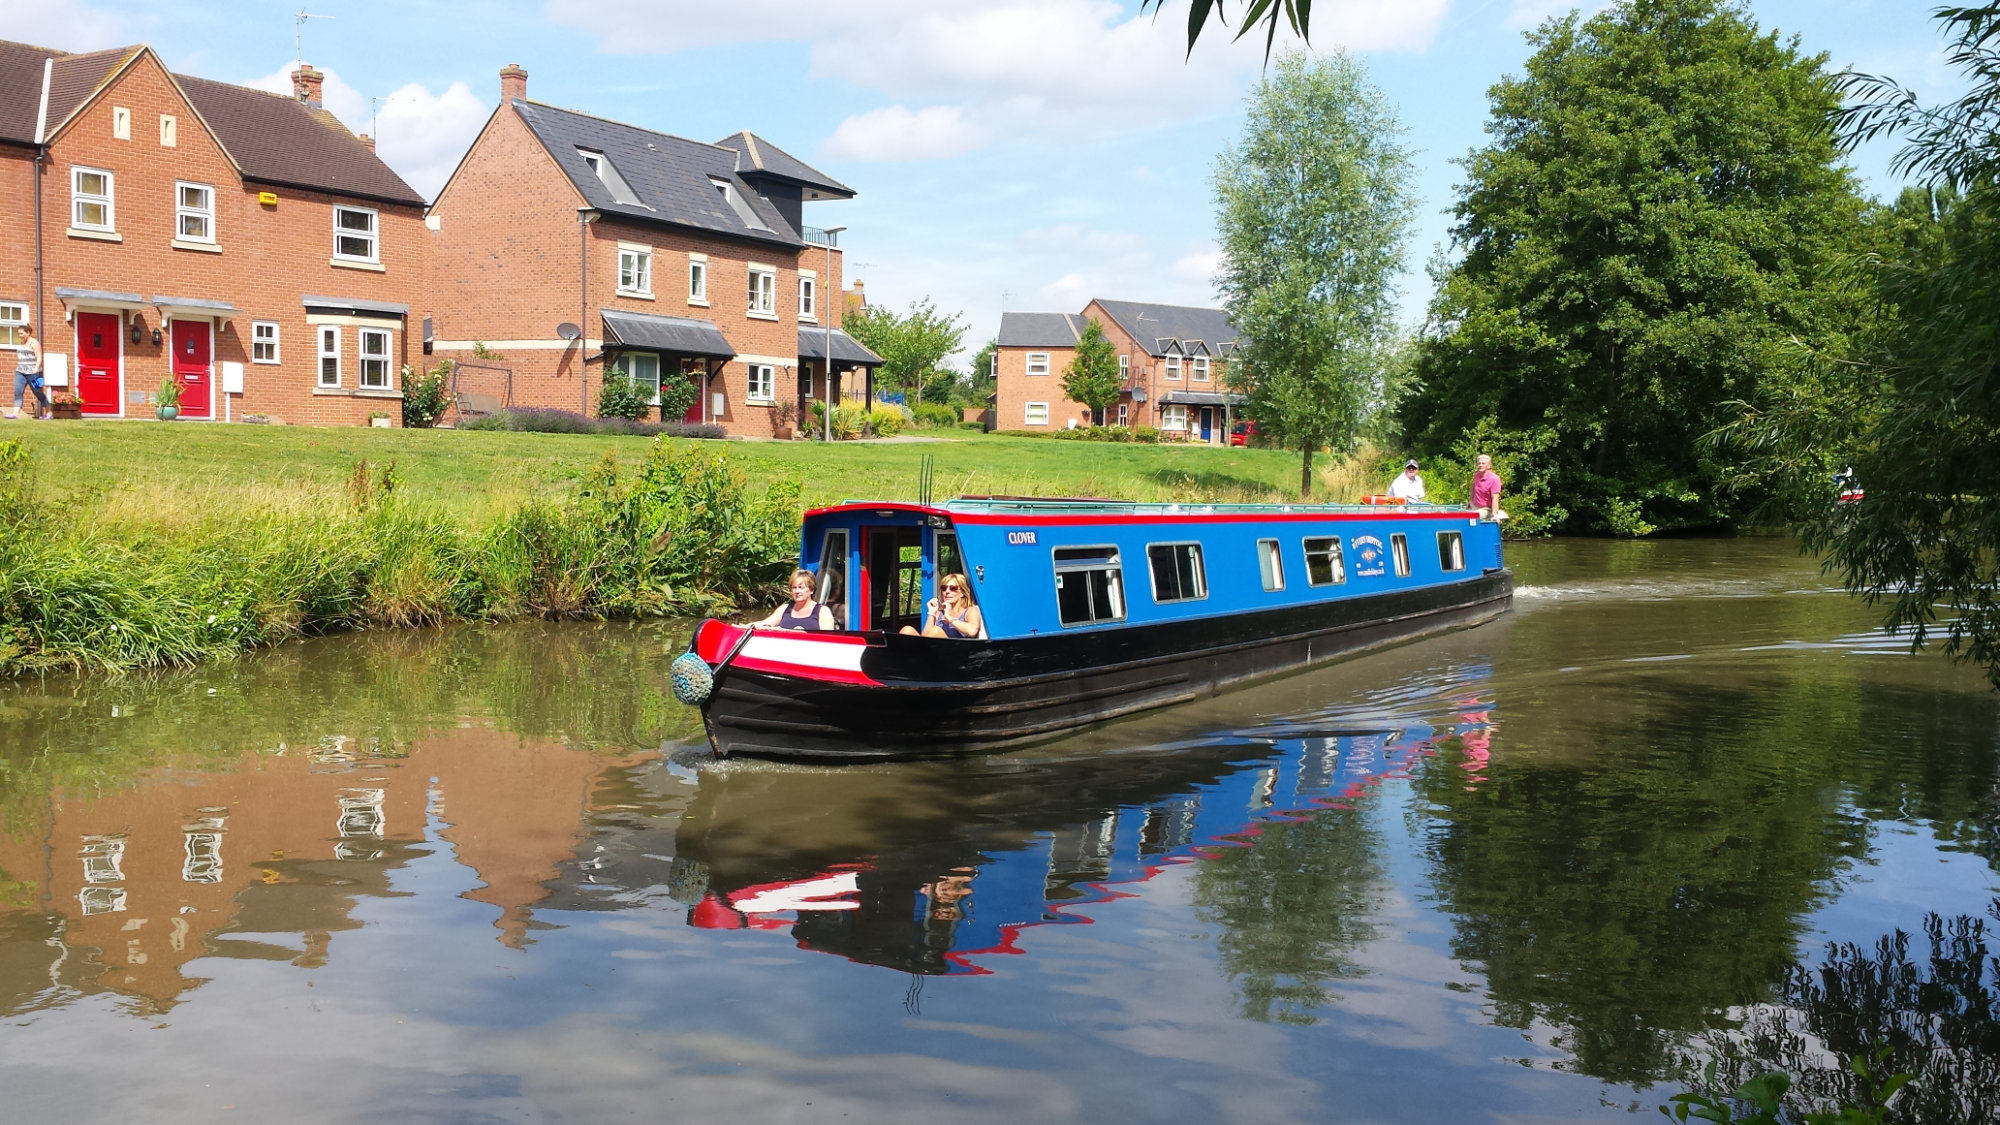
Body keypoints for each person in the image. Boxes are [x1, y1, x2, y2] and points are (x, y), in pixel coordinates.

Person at [900, 572, 985, 639]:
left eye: (953, 588)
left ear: (962, 593)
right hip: (933, 649)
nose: (947, 591)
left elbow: (972, 631)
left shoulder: (970, 610)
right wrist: (931, 613)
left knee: (936, 631)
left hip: (954, 651)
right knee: (907, 630)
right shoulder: (939, 612)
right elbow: (925, 638)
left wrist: (949, 617)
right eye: (944, 588)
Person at [756, 569, 836, 631]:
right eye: (794, 587)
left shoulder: (822, 611)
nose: (797, 591)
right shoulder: (784, 608)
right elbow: (764, 624)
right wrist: (745, 626)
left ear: (811, 589)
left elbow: (828, 637)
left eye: (801, 587)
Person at [8, 322, 49, 420]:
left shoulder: (34, 343)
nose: (19, 335)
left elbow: (39, 357)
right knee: (18, 391)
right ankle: (15, 413)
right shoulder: (22, 343)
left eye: (21, 333)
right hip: (20, 371)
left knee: (38, 393)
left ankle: (49, 412)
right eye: (18, 333)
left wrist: (36, 368)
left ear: (28, 333)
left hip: (33, 372)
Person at [1470, 454, 1505, 520]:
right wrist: (1470, 501)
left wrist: (1494, 515)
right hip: (1475, 506)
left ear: (1489, 466)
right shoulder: (1477, 475)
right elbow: (1473, 487)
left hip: (1486, 509)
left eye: (1483, 463)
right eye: (1479, 463)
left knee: (1471, 517)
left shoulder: (1494, 479)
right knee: (1458, 516)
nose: (1480, 465)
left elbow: (1495, 498)